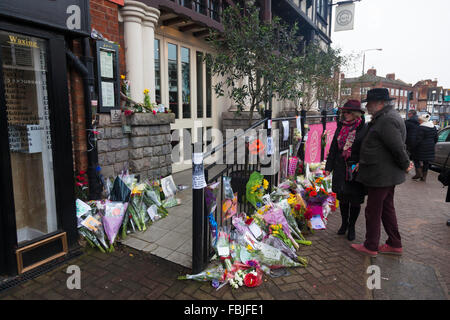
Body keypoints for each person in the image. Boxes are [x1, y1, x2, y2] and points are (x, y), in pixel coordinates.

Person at [351, 88, 413, 257]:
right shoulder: (386, 117)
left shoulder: (386, 120)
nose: (367, 106)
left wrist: (406, 164)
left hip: (381, 175)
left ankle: (371, 246)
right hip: (385, 174)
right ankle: (394, 243)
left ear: (380, 103)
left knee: (373, 210)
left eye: (369, 103)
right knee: (386, 208)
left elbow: (397, 147)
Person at [325, 100, 368, 241]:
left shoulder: (364, 128)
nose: (345, 114)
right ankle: (344, 224)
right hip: (340, 168)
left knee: (355, 200)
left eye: (348, 112)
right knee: (343, 198)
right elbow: (333, 148)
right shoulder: (341, 126)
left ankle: (352, 226)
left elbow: (367, 149)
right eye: (344, 112)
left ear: (356, 114)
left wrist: (361, 163)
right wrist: (328, 167)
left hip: (356, 169)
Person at [412, 113, 438, 182]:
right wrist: (432, 144)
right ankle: (424, 177)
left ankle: (419, 173)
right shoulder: (434, 127)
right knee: (426, 162)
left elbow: (418, 139)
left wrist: (413, 146)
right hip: (430, 147)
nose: (419, 121)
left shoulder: (421, 128)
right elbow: (436, 138)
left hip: (421, 147)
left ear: (423, 120)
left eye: (420, 120)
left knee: (416, 159)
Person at [404, 109, 420, 179]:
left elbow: (403, 131)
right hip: (416, 142)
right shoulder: (419, 122)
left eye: (408, 114)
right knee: (415, 157)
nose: (408, 115)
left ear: (411, 114)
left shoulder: (407, 122)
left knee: (406, 155)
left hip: (408, 141)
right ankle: (419, 173)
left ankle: (407, 168)